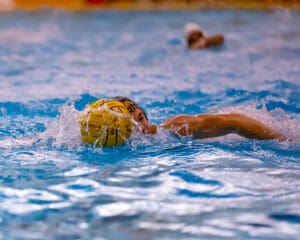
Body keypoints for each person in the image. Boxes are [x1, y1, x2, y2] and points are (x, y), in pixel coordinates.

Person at [114, 96, 286, 141]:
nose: (141, 127)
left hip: (254, 126)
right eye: (132, 123)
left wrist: (285, 140)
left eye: (141, 118)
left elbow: (235, 121)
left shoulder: (175, 128)